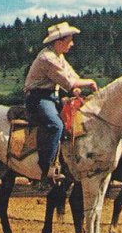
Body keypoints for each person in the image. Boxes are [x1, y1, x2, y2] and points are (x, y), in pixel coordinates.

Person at [24, 22, 98, 185]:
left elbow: (71, 75)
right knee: (55, 125)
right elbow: (70, 82)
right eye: (69, 40)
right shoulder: (47, 58)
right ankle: (46, 169)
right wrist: (89, 83)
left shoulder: (58, 56)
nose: (72, 44)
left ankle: (65, 163)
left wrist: (76, 89)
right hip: (38, 98)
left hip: (51, 97)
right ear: (59, 41)